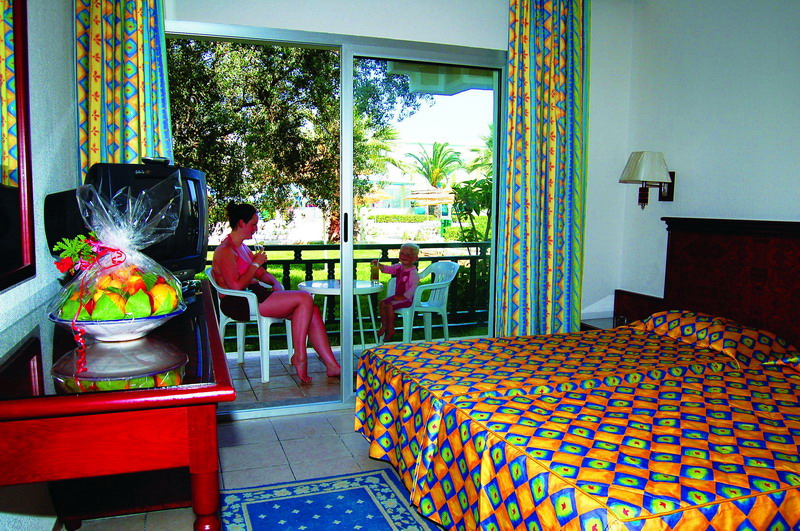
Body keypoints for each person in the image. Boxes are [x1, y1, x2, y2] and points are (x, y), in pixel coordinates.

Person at [211, 202, 340, 383]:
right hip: (238, 301)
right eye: (253, 224)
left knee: (313, 310)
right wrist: (255, 263)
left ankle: (332, 366)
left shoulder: (243, 248)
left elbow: (260, 274)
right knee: (305, 298)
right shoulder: (225, 251)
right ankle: (300, 356)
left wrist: (275, 283)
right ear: (241, 223)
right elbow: (235, 286)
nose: (256, 229)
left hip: (254, 294)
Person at [372, 243, 420, 343]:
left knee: (389, 306)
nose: (404, 256)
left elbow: (413, 289)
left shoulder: (413, 273)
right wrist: (379, 265)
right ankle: (384, 325)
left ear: (415, 258)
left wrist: (404, 297)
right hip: (397, 297)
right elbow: (388, 269)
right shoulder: (399, 267)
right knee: (382, 303)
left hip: (407, 299)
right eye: (402, 253)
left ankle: (391, 329)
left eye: (408, 254)